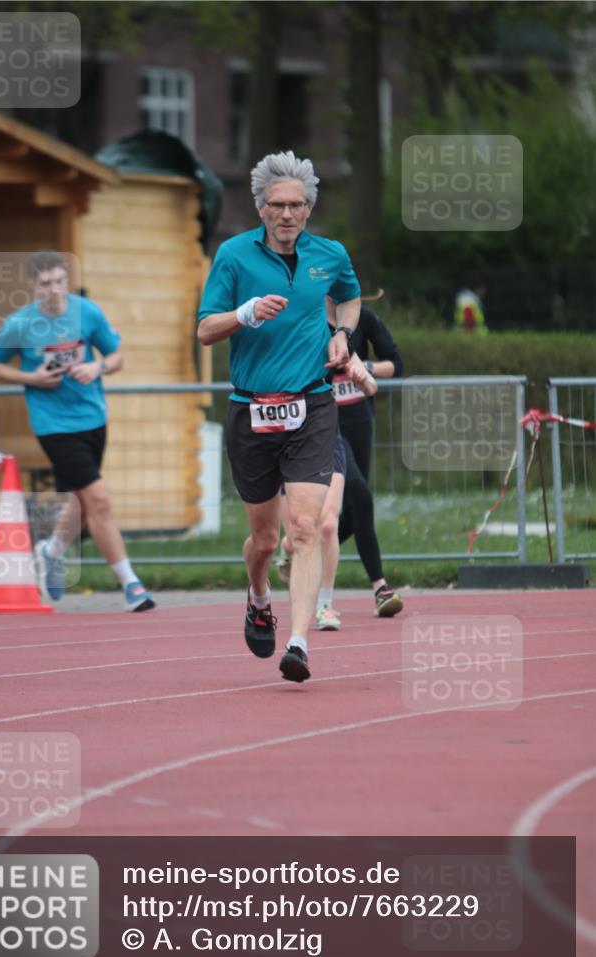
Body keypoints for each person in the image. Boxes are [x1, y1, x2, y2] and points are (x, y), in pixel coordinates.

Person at [197, 150, 361, 683]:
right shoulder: (233, 256)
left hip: (312, 404)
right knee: (265, 541)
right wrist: (244, 314)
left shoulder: (329, 254)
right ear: (261, 209)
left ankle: (298, 643)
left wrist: (342, 334)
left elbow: (350, 297)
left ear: (309, 208)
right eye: (276, 205)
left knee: (307, 526)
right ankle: (258, 593)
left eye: (296, 205)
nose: (286, 214)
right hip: (252, 409)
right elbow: (204, 329)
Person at [0, 250, 155, 612]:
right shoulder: (19, 325)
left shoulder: (86, 312)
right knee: (99, 500)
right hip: (53, 424)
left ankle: (51, 550)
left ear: (68, 281)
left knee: (80, 501)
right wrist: (30, 378)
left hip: (93, 417)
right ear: (33, 286)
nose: (54, 290)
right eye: (46, 283)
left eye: (60, 282)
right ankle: (131, 584)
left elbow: (116, 357)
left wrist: (97, 368)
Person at [276, 354, 376, 631]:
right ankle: (287, 550)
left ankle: (325, 604)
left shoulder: (334, 340)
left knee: (329, 525)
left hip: (328, 437)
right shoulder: (282, 335)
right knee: (299, 534)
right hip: (290, 440)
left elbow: (371, 388)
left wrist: (362, 376)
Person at [335, 301, 405, 617]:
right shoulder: (307, 314)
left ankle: (298, 547)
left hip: (359, 418)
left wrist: (367, 367)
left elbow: (396, 364)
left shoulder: (362, 317)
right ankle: (380, 586)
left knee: (354, 508)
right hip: (323, 421)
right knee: (361, 493)